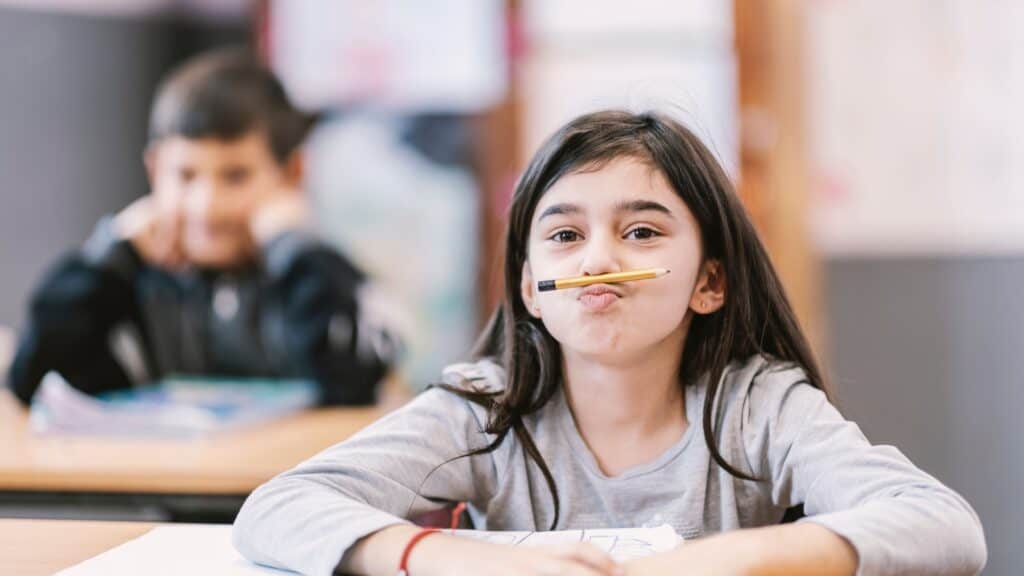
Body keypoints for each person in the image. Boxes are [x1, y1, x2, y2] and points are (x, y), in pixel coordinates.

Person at [232, 110, 986, 576]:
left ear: (709, 283)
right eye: (564, 235)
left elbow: (943, 524)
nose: (597, 259)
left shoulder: (757, 406)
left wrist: (741, 560)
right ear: (531, 289)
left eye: (642, 232)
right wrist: (450, 559)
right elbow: (280, 507)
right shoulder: (484, 410)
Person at [8, 48, 397, 407]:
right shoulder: (132, 282)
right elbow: (32, 380)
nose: (207, 205)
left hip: (284, 479)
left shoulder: (318, 277)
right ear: (155, 170)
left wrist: (296, 250)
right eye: (185, 175)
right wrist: (111, 257)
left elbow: (356, 381)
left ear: (292, 173)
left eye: (236, 176)